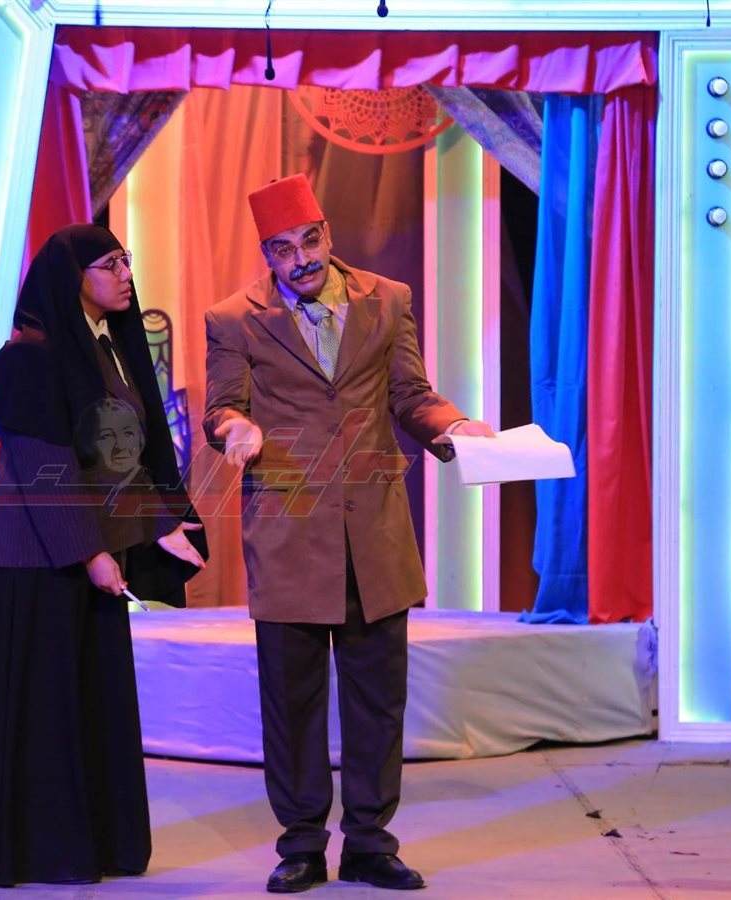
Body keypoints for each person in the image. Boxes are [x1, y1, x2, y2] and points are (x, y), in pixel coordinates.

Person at [203, 174, 493, 893]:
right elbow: (220, 408)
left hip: (374, 532)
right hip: (289, 534)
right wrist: (235, 429)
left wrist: (455, 427)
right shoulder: (234, 319)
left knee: (377, 700)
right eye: (282, 249)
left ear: (327, 234)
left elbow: (411, 395)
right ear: (266, 255)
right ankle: (301, 844)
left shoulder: (387, 299)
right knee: (292, 701)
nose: (300, 258)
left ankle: (369, 842)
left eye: (309, 241)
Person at [0, 224, 208, 887]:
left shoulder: (104, 349)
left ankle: (97, 843)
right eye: (111, 264)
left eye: (128, 261)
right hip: (42, 562)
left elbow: (115, 458)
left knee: (91, 706)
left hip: (96, 553)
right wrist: (92, 554)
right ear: (74, 277)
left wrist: (160, 524)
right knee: (47, 709)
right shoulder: (27, 358)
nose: (127, 274)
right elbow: (45, 471)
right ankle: (43, 851)